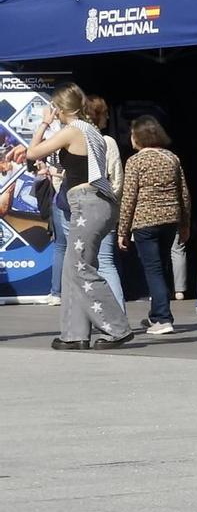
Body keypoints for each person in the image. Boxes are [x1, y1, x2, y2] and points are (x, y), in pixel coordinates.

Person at [7, 84, 132, 348]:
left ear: (60, 109)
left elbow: (33, 152)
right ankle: (74, 335)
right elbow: (70, 164)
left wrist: (43, 124)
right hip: (95, 202)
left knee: (80, 267)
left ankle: (117, 328)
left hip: (88, 204)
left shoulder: (73, 130)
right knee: (71, 270)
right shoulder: (90, 131)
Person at [115, 117, 190, 336]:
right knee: (162, 266)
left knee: (153, 269)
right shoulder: (172, 158)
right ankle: (156, 313)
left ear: (138, 137)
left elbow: (129, 197)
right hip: (170, 220)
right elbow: (184, 194)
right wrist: (185, 224)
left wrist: (122, 230)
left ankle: (163, 319)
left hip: (145, 222)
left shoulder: (135, 161)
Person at [83, 96, 128, 311]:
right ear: (98, 114)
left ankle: (95, 316)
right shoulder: (107, 141)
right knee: (106, 262)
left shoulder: (73, 139)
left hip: (79, 210)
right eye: (106, 112)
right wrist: (111, 201)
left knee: (84, 263)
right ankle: (118, 314)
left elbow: (60, 177)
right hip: (103, 207)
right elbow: (117, 178)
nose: (109, 116)